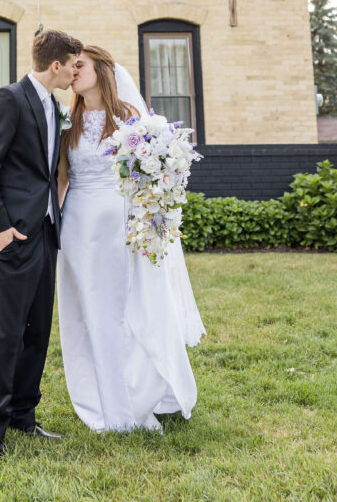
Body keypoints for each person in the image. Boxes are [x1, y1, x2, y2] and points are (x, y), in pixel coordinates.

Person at [57, 45, 205, 433]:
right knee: (87, 311)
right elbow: (61, 177)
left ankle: (139, 391)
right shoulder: (66, 121)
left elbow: (149, 178)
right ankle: (99, 394)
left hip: (120, 227)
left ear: (102, 70)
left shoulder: (130, 117)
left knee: (124, 307)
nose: (73, 73)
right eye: (71, 67)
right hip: (77, 227)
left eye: (80, 66)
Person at [0, 29, 83, 461]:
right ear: (55, 65)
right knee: (6, 332)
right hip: (12, 236)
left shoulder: (55, 107)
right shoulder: (8, 99)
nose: (77, 71)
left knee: (37, 330)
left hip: (44, 232)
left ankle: (23, 415)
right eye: (73, 64)